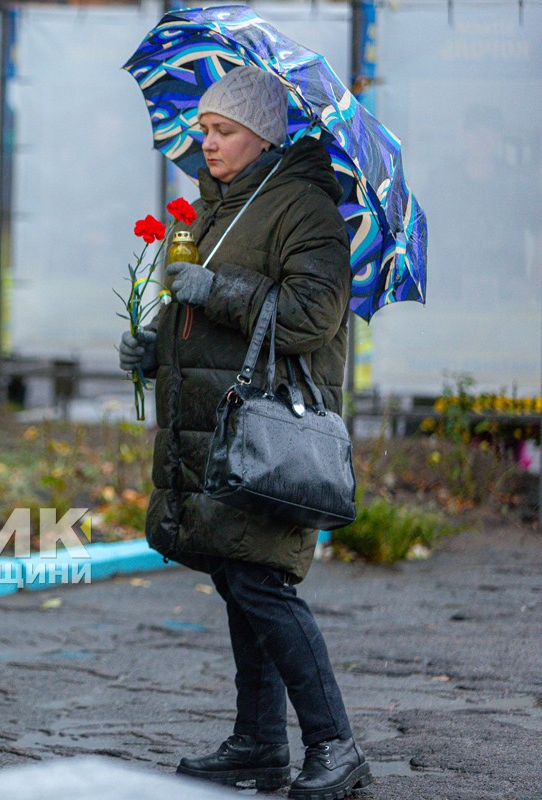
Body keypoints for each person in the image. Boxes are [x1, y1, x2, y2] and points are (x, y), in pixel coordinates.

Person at [118, 66, 371, 800]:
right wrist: (152, 350)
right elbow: (196, 315)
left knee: (262, 583)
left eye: (221, 130)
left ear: (262, 136)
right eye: (203, 129)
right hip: (220, 431)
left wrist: (216, 290)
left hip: (268, 433)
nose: (207, 142)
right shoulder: (216, 208)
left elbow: (311, 315)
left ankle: (335, 746)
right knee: (239, 577)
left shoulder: (303, 208)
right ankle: (260, 744)